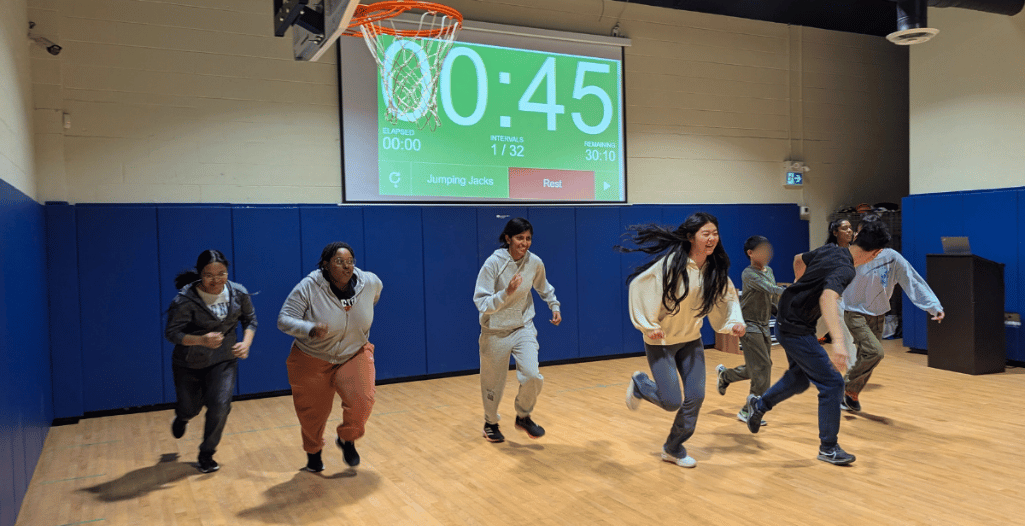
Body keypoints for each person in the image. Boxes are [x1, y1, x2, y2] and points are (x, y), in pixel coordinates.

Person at [743, 220, 891, 466]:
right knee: (833, 383)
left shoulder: (832, 249)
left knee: (800, 380)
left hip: (790, 319)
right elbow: (828, 297)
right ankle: (828, 448)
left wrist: (800, 285)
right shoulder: (846, 269)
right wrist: (839, 343)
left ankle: (758, 406)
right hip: (794, 327)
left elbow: (799, 258)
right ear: (875, 253)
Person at [621, 212, 745, 468]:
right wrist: (649, 325)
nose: (712, 239)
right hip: (662, 343)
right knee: (671, 401)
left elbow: (728, 297)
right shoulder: (671, 265)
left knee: (696, 396)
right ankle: (641, 384)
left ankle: (673, 448)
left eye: (715, 234)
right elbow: (639, 286)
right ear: (691, 237)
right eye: (705, 234)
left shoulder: (714, 269)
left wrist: (734, 321)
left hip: (691, 341)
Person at [278, 242, 382, 472]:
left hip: (353, 352)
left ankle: (347, 439)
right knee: (312, 414)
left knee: (363, 400)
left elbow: (374, 298)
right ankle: (314, 453)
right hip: (312, 357)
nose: (347, 267)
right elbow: (284, 319)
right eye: (339, 262)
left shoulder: (370, 282)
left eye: (350, 262)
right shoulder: (309, 287)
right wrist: (308, 328)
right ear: (325, 265)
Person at [165, 249, 257, 473]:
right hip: (189, 363)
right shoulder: (185, 300)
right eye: (209, 275)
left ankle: (207, 453)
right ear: (199, 274)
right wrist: (201, 340)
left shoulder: (239, 293)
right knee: (190, 407)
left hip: (223, 361)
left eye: (221, 273)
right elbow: (172, 334)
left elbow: (250, 320)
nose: (216, 280)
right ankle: (183, 416)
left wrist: (246, 343)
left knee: (220, 406)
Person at [840, 217, 944, 412]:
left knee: (870, 357)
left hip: (878, 315)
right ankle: (846, 388)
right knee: (875, 352)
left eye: (860, 232)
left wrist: (932, 305)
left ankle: (850, 393)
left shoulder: (891, 257)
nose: (856, 235)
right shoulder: (850, 255)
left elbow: (912, 279)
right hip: (854, 313)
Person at [474, 218, 562, 443]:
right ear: (508, 239)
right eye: (520, 238)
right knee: (493, 383)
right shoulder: (493, 263)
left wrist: (554, 306)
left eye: (528, 238)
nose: (525, 243)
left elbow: (544, 287)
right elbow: (481, 302)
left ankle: (523, 415)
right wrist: (507, 292)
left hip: (523, 327)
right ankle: (490, 422)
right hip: (495, 331)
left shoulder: (535, 262)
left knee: (533, 375)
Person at [716, 236, 786, 426]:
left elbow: (770, 297)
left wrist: (780, 313)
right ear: (751, 253)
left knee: (755, 368)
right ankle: (750, 409)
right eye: (762, 250)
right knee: (763, 366)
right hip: (748, 325)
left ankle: (726, 376)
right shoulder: (749, 273)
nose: (767, 254)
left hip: (764, 324)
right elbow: (770, 288)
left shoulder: (769, 270)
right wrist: (794, 291)